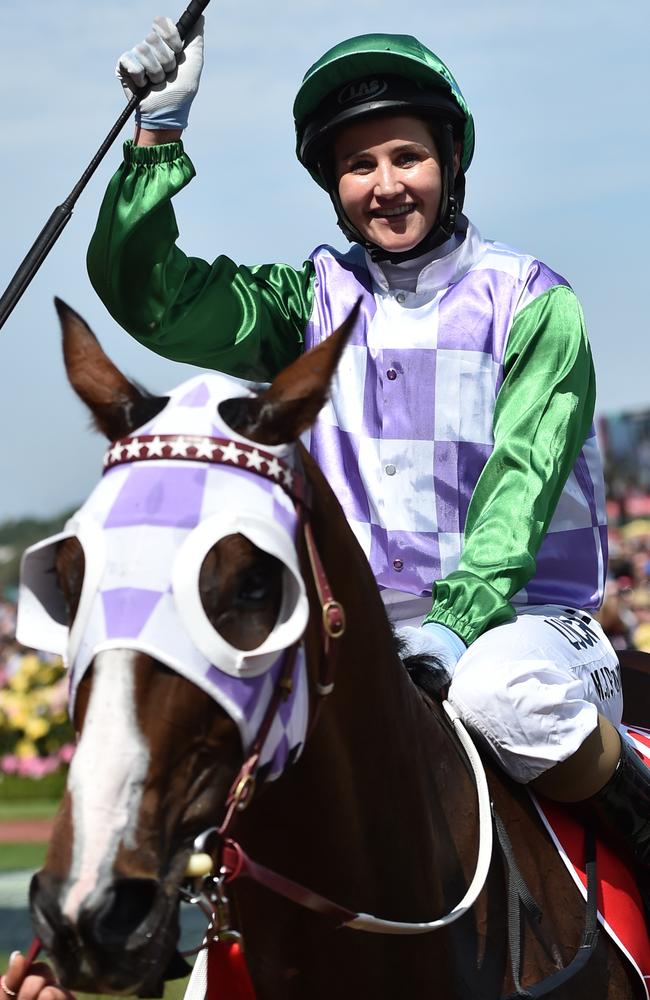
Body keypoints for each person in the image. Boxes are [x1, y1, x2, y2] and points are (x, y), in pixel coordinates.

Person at [5, 15, 650, 999]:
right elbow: (150, 296)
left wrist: (452, 625)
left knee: (500, 701)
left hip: (519, 630)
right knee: (230, 738)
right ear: (332, 184)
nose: (385, 182)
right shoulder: (300, 304)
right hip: (349, 644)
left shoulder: (529, 301)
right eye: (357, 165)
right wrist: (156, 140)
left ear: (449, 160)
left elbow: (516, 489)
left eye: (405, 155)